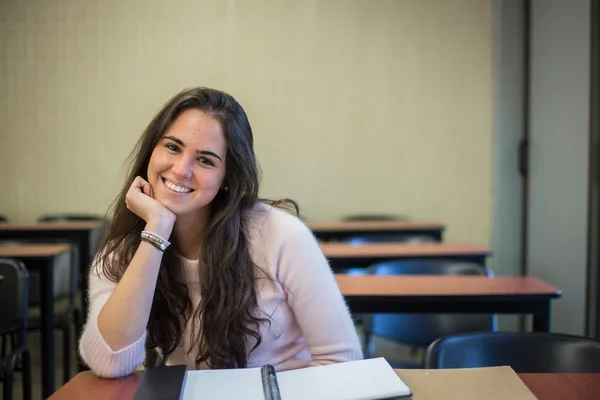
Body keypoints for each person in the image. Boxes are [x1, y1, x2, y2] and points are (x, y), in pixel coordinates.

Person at [79, 87, 363, 378]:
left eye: (205, 160)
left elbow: (342, 361)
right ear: (151, 151)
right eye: (173, 147)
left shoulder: (282, 236)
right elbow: (110, 363)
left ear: (227, 177)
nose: (181, 170)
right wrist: (157, 230)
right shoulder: (126, 247)